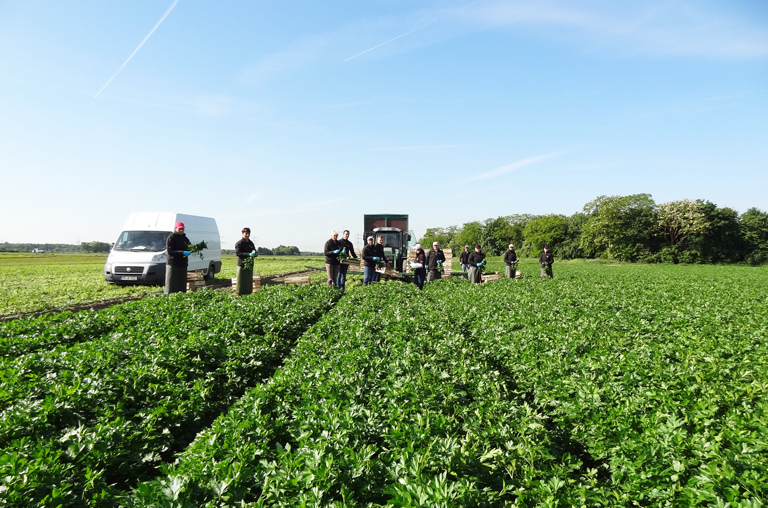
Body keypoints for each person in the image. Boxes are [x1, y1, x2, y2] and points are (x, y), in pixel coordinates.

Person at [165, 221, 191, 294]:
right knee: (171, 283)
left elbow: (189, 247)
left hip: (183, 264)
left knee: (182, 283)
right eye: (180, 229)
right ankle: (168, 297)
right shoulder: (171, 237)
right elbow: (170, 251)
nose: (181, 230)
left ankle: (181, 296)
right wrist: (182, 252)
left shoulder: (185, 238)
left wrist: (194, 248)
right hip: (173, 264)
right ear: (175, 228)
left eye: (182, 229)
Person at [234, 227, 258, 295]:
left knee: (248, 279)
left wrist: (255, 254)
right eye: (246, 233)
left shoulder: (250, 243)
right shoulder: (239, 243)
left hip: (249, 265)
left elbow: (254, 250)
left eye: (248, 233)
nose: (247, 235)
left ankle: (248, 292)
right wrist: (248, 254)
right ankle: (240, 293)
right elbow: (238, 253)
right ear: (242, 234)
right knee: (241, 280)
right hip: (242, 264)